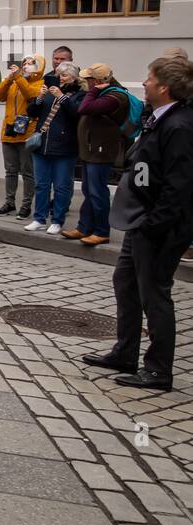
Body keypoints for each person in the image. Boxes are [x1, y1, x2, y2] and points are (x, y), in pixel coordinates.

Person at [82, 49, 193, 392]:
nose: (144, 82)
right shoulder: (159, 115)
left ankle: (158, 370)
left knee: (154, 295)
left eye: (150, 78)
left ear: (166, 87)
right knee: (125, 283)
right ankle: (124, 351)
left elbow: (180, 186)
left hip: (158, 226)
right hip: (140, 220)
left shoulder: (180, 125)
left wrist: (153, 224)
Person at [65, 63, 129, 246]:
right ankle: (84, 227)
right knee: (88, 190)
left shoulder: (115, 96)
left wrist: (92, 93)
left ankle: (102, 231)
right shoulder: (104, 94)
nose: (86, 82)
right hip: (91, 150)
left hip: (101, 152)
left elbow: (85, 108)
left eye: (89, 79)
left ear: (99, 81)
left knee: (97, 191)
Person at [24, 63, 83, 235]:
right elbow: (32, 112)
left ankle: (57, 220)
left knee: (61, 186)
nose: (60, 78)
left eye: (64, 75)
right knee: (41, 184)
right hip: (42, 145)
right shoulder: (49, 91)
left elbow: (76, 113)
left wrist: (62, 97)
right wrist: (40, 98)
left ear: (73, 77)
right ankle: (39, 218)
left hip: (65, 148)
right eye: (58, 75)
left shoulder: (79, 94)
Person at [0, 54, 45, 220]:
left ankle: (26, 204)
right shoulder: (15, 81)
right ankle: (9, 202)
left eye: (31, 64)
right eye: (25, 63)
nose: (26, 66)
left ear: (40, 67)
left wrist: (19, 78)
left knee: (27, 171)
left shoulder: (41, 84)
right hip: (9, 130)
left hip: (26, 132)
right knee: (10, 170)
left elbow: (31, 95)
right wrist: (8, 79)